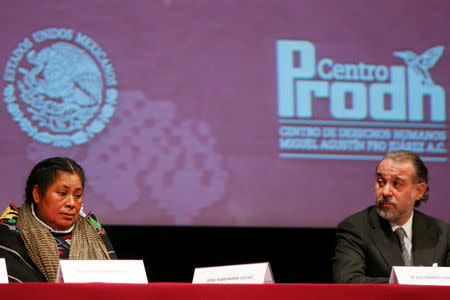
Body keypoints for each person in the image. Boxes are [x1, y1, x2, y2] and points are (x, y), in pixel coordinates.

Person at [333, 150, 450, 283]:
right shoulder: (355, 229)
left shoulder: (443, 233)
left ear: (419, 191)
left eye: (396, 184)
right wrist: (407, 285)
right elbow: (348, 281)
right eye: (381, 182)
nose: (385, 191)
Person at [0, 157, 117, 282]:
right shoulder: (11, 229)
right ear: (37, 194)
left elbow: (118, 283)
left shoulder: (93, 230)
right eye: (62, 193)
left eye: (77, 195)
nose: (71, 203)